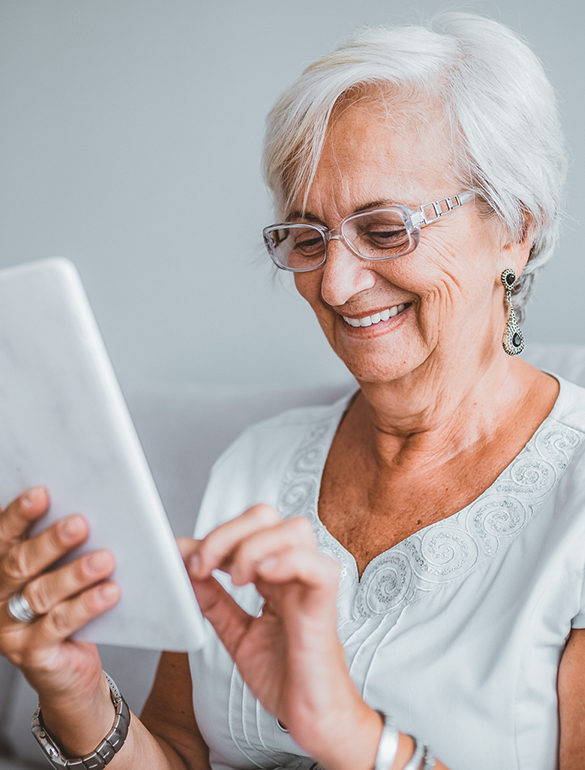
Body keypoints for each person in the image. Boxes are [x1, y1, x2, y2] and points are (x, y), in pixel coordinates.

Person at [0, 11, 582, 770]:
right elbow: (178, 754)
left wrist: (350, 737)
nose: (334, 285)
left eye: (384, 229)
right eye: (307, 238)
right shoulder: (257, 468)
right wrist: (72, 690)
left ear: (514, 226)